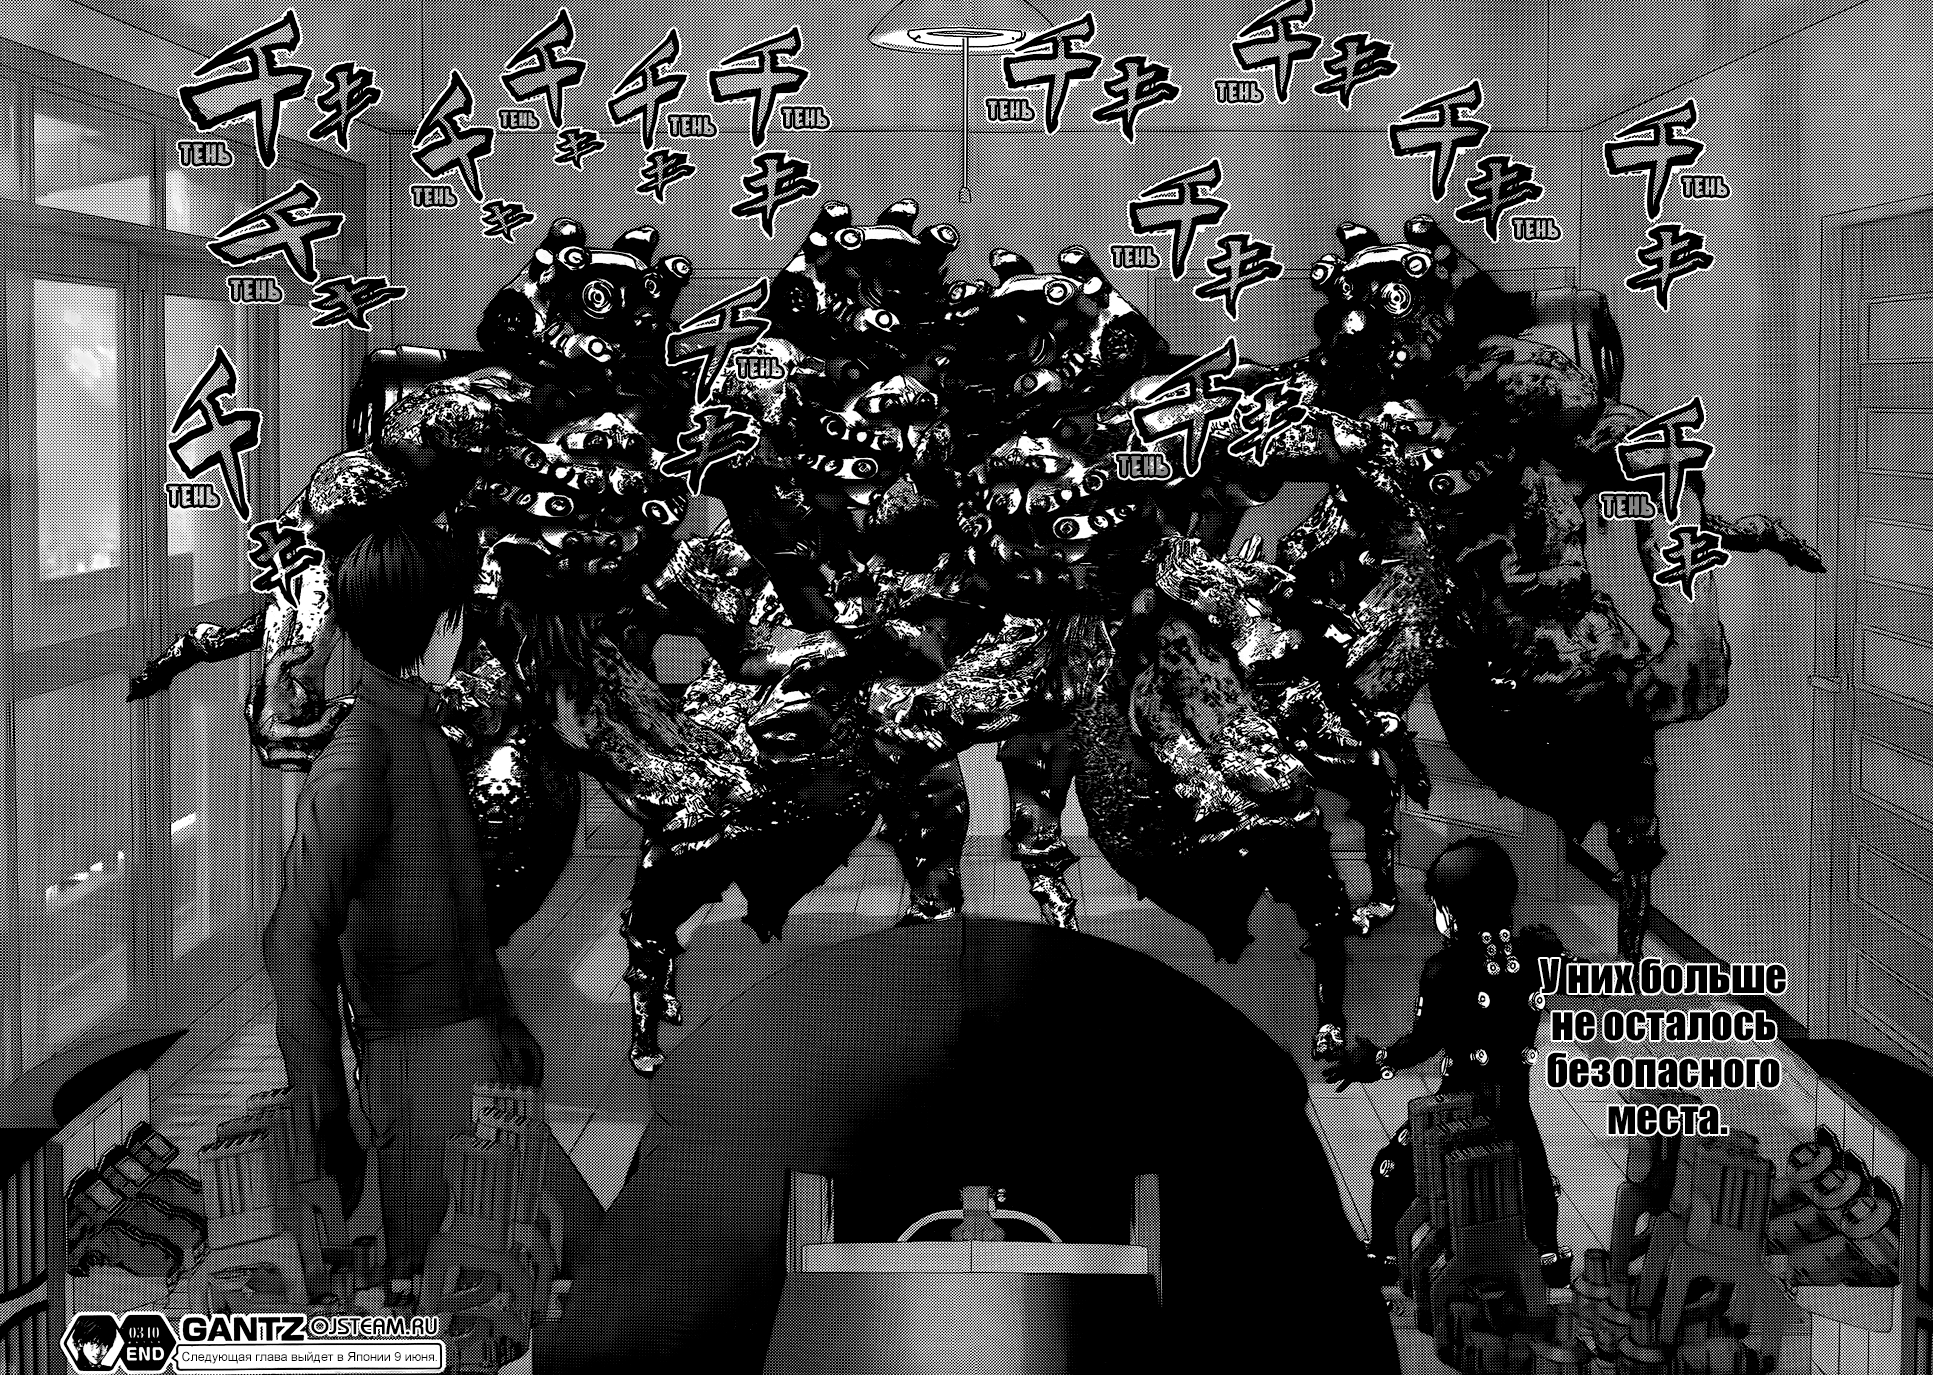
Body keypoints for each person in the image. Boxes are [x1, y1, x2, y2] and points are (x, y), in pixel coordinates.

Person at [263, 521, 600, 1285]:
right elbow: (294, 937)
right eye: (456, 617)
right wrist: (324, 1109)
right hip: (415, 1065)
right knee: (456, 1283)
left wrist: (500, 1018)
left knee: (554, 1255)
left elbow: (459, 904)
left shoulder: (421, 731)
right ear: (430, 625)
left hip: (469, 1045)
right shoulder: (357, 760)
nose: (464, 634)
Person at [1324, 835, 1572, 1288]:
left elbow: (1422, 1044)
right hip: (1514, 1104)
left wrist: (1372, 1060)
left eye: (1439, 906)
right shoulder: (1533, 954)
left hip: (1458, 1105)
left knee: (1390, 1167)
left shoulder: (1443, 971)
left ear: (1452, 914)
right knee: (1534, 1172)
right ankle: (1548, 1256)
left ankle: (1385, 1254)